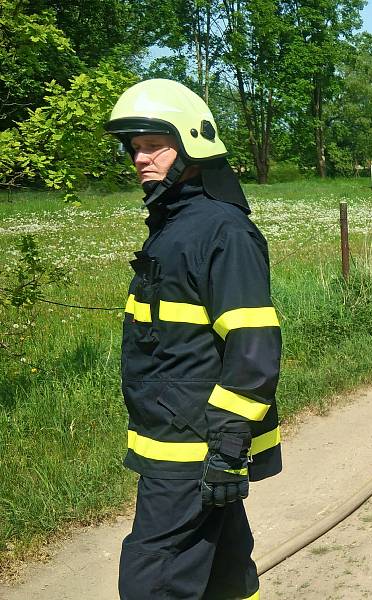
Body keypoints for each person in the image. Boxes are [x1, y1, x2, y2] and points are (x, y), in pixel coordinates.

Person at [105, 79, 282, 600]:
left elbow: (254, 349)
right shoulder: (174, 225)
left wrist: (226, 450)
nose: (140, 159)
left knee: (152, 576)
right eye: (133, 147)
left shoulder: (221, 231)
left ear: (191, 143)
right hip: (181, 435)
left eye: (153, 145)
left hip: (193, 447)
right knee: (226, 573)